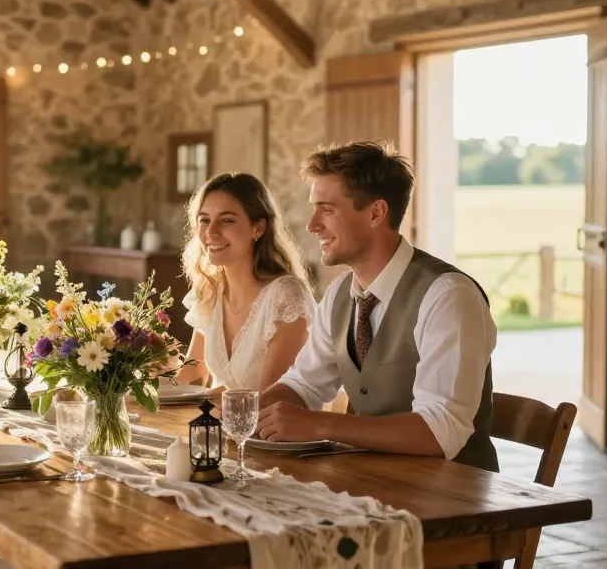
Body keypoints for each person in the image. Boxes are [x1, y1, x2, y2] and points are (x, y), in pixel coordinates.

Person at [257, 141, 499, 475]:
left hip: (451, 501)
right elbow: (305, 385)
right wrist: (247, 410)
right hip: (367, 484)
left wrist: (320, 425)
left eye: (326, 209)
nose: (312, 225)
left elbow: (440, 432)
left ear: (376, 213)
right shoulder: (340, 292)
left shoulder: (449, 296)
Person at [175, 172, 315, 391]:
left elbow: (270, 399)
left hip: (272, 424)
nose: (211, 232)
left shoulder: (285, 296)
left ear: (258, 228)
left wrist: (213, 399)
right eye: (204, 220)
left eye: (227, 220)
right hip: (220, 422)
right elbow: (192, 375)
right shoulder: (209, 289)